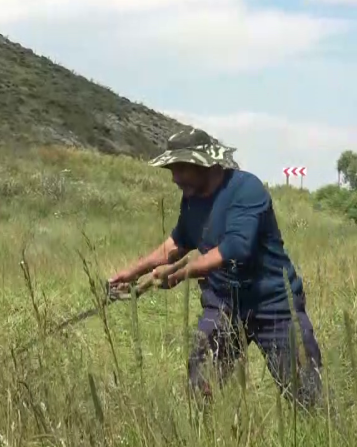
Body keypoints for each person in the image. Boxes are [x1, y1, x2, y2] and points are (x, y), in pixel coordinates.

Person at [107, 128, 323, 408]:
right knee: (202, 384)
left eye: (181, 168)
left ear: (204, 163)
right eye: (172, 169)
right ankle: (209, 442)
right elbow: (177, 242)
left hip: (275, 304)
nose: (174, 177)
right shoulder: (191, 198)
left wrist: (180, 273)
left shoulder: (247, 189)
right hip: (223, 304)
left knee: (305, 395)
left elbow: (235, 248)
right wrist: (133, 273)